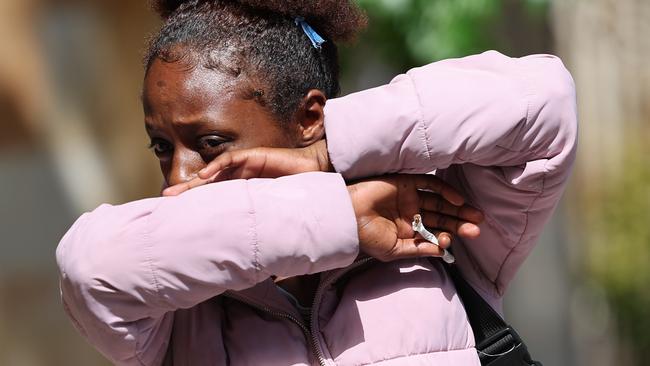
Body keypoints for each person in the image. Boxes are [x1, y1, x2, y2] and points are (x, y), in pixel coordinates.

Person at [56, 0, 578, 365]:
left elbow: (542, 100)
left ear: (309, 118)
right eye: (162, 147)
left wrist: (330, 151)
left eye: (211, 142)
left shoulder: (435, 230)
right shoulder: (175, 308)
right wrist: (339, 219)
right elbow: (88, 269)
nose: (178, 180)